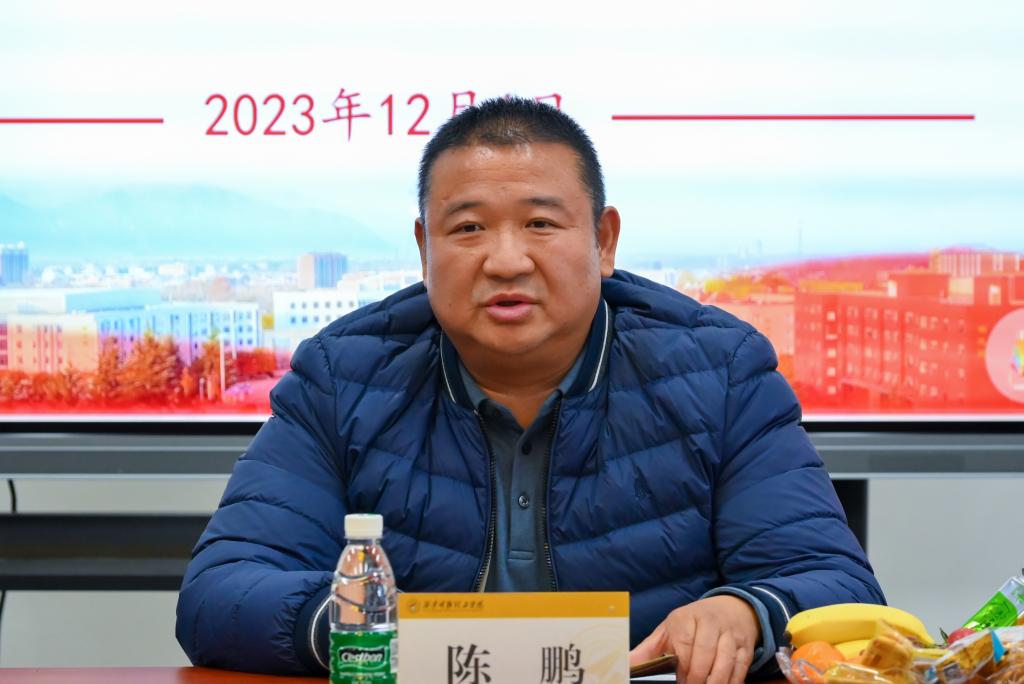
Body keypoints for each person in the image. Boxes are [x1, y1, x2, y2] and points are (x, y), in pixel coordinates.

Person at [176, 98, 884, 683]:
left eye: (541, 224)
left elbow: (836, 582)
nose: (506, 260)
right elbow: (219, 594)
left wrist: (745, 613)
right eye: (469, 228)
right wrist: (370, 627)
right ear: (424, 247)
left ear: (603, 241)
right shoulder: (344, 379)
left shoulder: (719, 373)